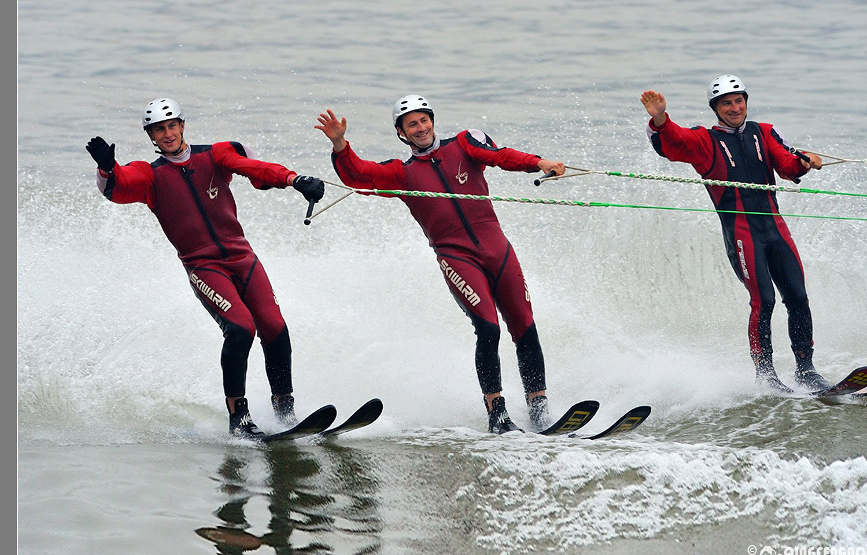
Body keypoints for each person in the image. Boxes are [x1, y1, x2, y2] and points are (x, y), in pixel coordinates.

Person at [315, 95, 566, 433]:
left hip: (499, 250)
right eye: (412, 125)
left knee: (524, 325)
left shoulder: (465, 144)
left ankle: (539, 410)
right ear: (402, 134)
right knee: (489, 328)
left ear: (433, 120)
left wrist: (539, 163)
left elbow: (501, 156)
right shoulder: (402, 174)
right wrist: (340, 144)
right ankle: (498, 414)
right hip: (457, 258)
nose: (421, 128)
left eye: (424, 120)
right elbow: (358, 175)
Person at [86, 98, 326, 439]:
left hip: (243, 257)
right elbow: (118, 187)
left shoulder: (214, 155)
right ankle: (238, 418)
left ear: (182, 125)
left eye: (171, 126)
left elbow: (255, 168)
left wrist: (294, 179)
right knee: (242, 328)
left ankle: (285, 412)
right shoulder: (150, 175)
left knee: (274, 326)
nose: (167, 134)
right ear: (151, 136)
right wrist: (108, 168)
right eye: (158, 130)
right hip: (203, 267)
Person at [640, 75, 828, 391]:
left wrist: (803, 163)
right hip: (742, 235)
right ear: (715, 108)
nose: (734, 107)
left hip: (776, 230)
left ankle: (806, 370)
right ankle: (766, 376)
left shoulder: (764, 132)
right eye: (726, 103)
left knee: (797, 296)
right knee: (764, 300)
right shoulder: (705, 141)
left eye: (738, 100)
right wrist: (660, 117)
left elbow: (786, 164)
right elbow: (673, 142)